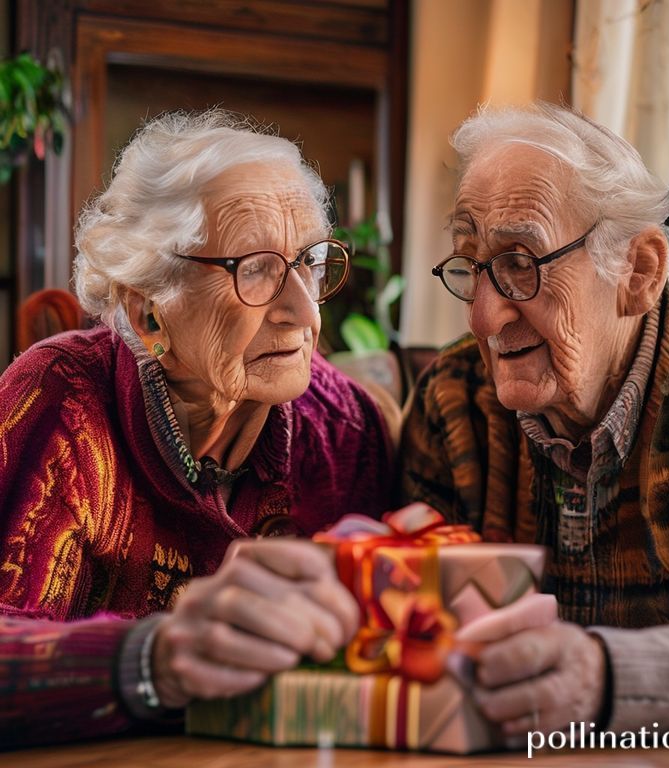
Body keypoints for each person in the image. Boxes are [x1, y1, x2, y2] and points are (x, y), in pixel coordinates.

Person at [0, 109, 395, 748]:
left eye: (310, 262)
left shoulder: (345, 431)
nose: (302, 312)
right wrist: (152, 661)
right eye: (257, 269)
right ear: (151, 314)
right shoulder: (59, 404)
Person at [401, 102, 669, 740]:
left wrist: (603, 678)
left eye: (521, 262)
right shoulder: (454, 399)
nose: (484, 320)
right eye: (473, 265)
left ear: (639, 270)